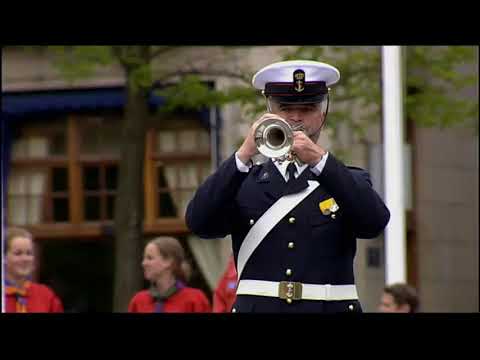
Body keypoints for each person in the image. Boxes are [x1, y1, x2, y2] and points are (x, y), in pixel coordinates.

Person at [186, 60, 390, 313]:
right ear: (269, 111)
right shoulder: (243, 181)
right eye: (285, 108)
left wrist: (318, 158)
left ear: (323, 112)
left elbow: (374, 223)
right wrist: (244, 153)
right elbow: (200, 223)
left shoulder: (347, 181)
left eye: (306, 108)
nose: (295, 117)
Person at [128, 236, 211, 313]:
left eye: (150, 258)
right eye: (144, 258)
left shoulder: (195, 299)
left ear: (168, 261)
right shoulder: (138, 301)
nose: (143, 263)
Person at [4, 227, 64, 313]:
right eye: (18, 253)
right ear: (4, 258)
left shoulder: (45, 295)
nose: (25, 259)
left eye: (29, 253)